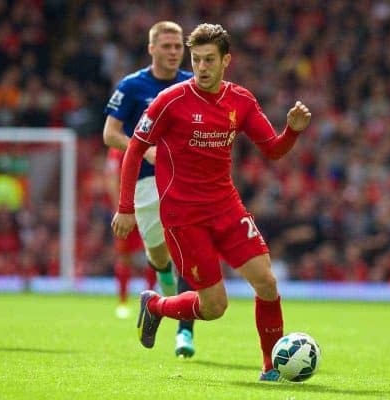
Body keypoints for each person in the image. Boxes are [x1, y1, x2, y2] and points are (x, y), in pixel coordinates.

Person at [112, 23, 312, 382]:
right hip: (183, 217)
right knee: (215, 307)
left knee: (266, 281)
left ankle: (270, 367)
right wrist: (126, 206)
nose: (201, 67)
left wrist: (292, 130)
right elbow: (135, 149)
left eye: (209, 60)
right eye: (196, 59)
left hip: (226, 207)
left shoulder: (241, 100)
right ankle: (155, 304)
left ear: (226, 61)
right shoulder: (169, 100)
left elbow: (273, 150)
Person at [103, 21, 196, 357]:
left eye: (178, 47)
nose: (174, 52)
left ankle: (184, 332)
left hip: (186, 181)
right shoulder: (132, 86)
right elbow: (110, 134)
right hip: (145, 181)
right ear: (152, 48)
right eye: (167, 46)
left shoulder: (193, 84)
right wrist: (145, 148)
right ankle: (162, 299)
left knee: (189, 252)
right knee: (158, 255)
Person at [105, 147, 157, 319]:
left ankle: (149, 301)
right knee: (124, 255)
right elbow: (112, 179)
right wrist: (119, 208)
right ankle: (123, 302)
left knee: (155, 255)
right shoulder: (117, 149)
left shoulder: (150, 143)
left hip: (148, 207)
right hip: (127, 210)